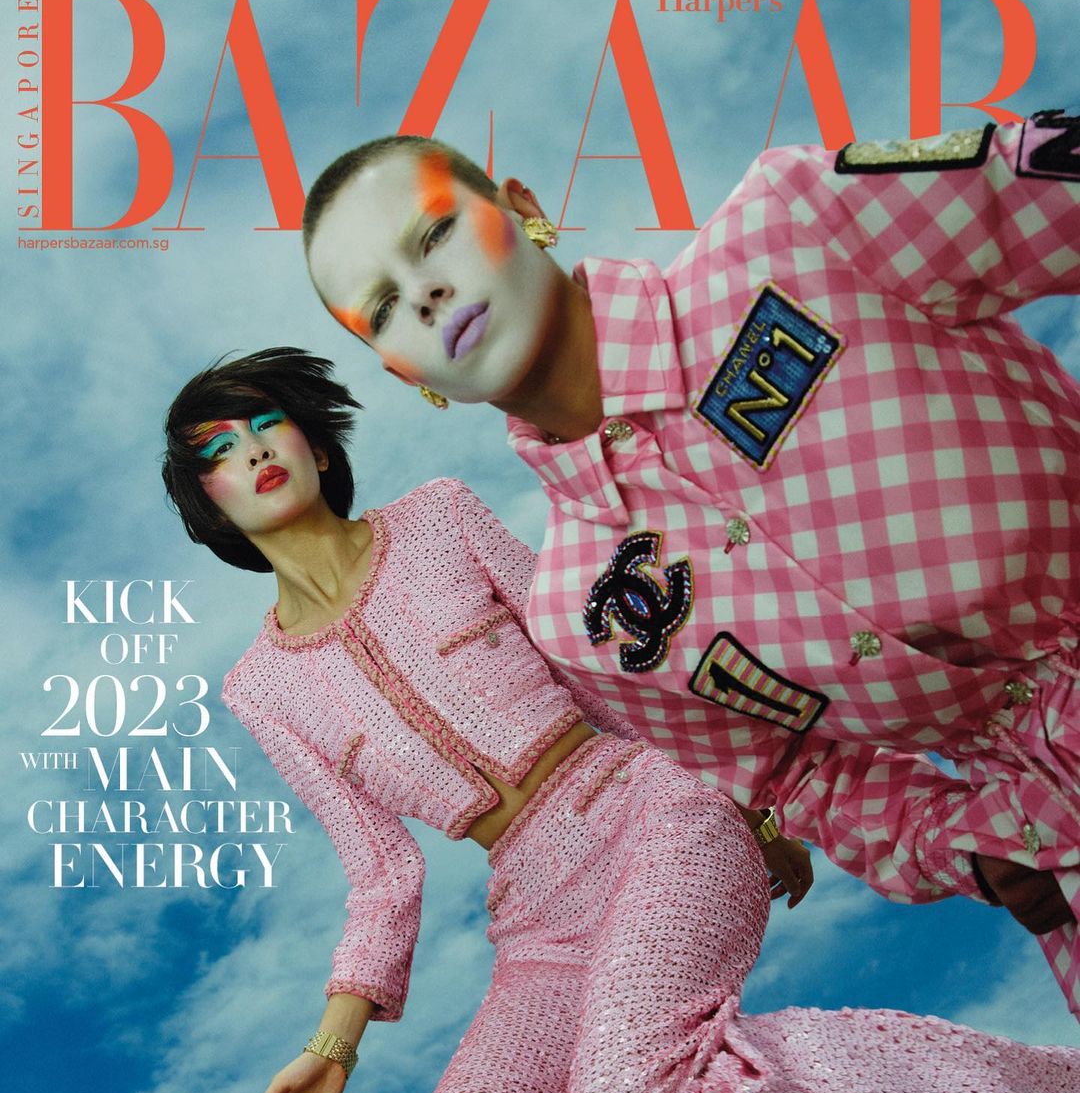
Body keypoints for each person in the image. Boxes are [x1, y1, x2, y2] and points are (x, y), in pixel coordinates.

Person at [162, 348, 1080, 1093]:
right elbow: (382, 874)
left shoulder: (438, 516)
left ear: (315, 443)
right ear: (208, 504)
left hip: (651, 809)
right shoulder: (262, 687)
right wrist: (332, 1047)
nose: (254, 451)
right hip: (537, 917)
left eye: (267, 425)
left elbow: (596, 662)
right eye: (220, 451)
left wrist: (756, 795)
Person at [301, 115, 1080, 1018]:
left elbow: (1049, 185)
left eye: (435, 234)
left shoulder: (789, 229)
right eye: (383, 309)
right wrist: (964, 846)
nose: (425, 295)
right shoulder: (584, 618)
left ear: (523, 207)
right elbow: (796, 778)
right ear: (405, 375)